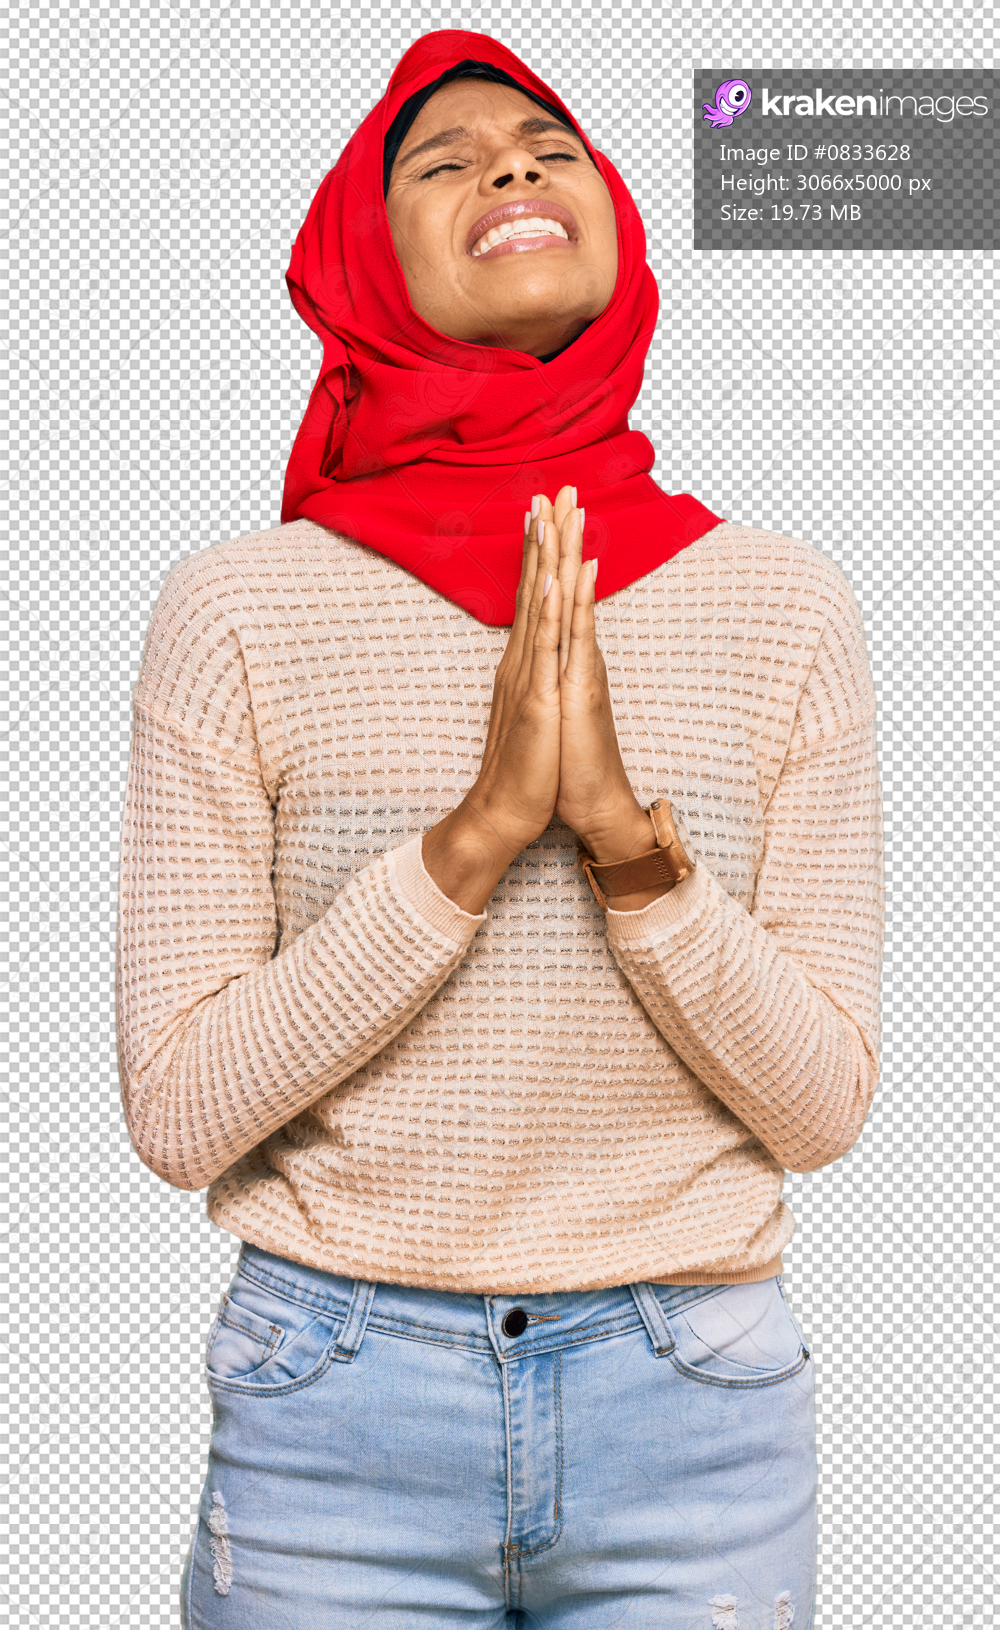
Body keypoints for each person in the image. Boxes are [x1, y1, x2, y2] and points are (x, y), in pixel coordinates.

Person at [116, 30, 884, 1630]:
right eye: (443, 160)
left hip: (695, 1415)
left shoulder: (784, 604)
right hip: (337, 1406)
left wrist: (623, 842)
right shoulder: (239, 609)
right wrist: (469, 844)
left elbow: (821, 1108)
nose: (514, 167)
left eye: (546, 144)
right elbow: (180, 1108)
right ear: (362, 258)